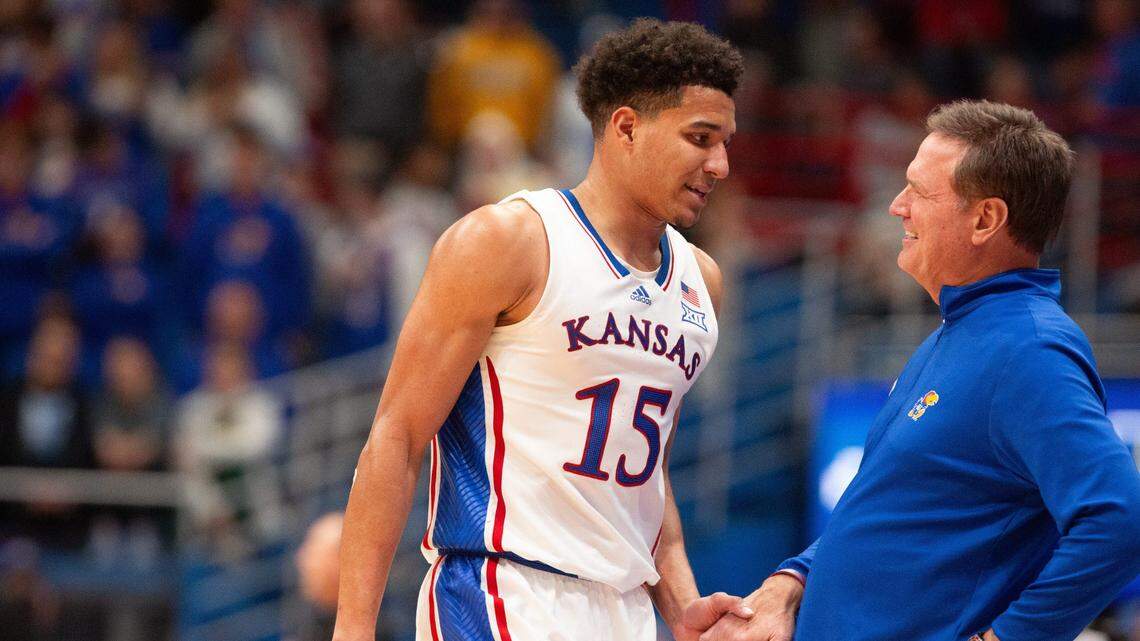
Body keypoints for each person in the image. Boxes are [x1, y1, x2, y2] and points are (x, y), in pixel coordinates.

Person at [333, 18, 755, 641]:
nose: (719, 164)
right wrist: (352, 628)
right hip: (504, 591)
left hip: (626, 611)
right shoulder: (510, 241)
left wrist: (681, 603)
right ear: (627, 128)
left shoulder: (702, 282)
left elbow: (643, 474)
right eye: (700, 138)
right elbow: (395, 437)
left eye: (725, 143)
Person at [701, 100, 1140, 641]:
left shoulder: (1030, 350)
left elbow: (1120, 519)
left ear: (986, 220)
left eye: (920, 191)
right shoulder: (956, 336)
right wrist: (791, 580)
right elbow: (891, 514)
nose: (896, 206)